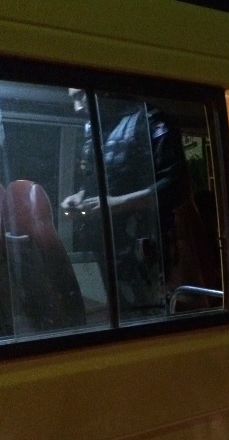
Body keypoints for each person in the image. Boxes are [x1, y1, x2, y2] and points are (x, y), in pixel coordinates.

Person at [60, 89, 194, 314]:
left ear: (102, 90)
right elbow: (94, 179)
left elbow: (175, 186)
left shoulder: (149, 120)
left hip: (146, 250)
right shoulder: (94, 129)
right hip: (107, 249)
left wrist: (117, 203)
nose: (77, 107)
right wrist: (80, 196)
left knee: (151, 316)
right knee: (120, 313)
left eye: (80, 95)